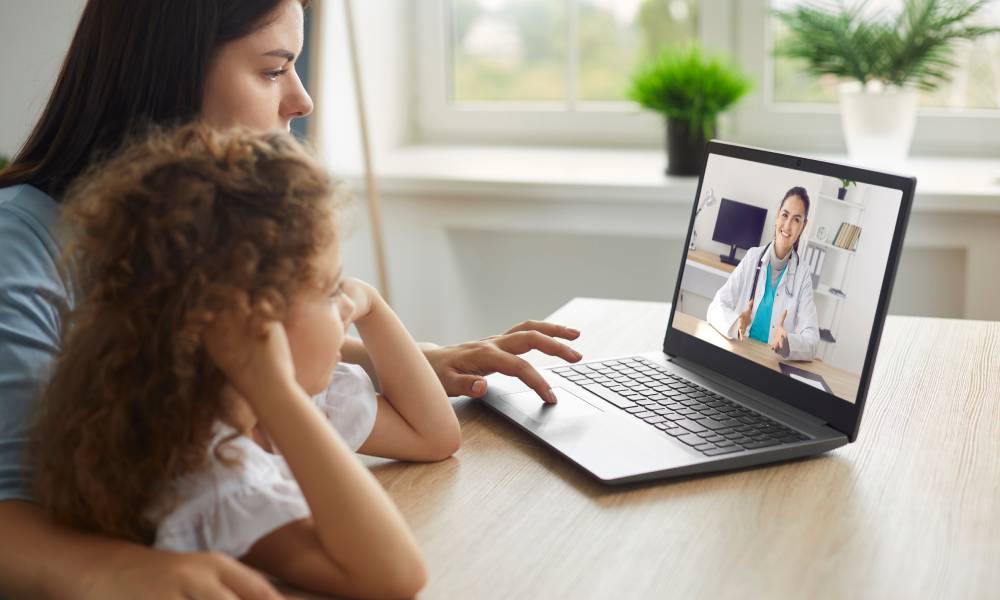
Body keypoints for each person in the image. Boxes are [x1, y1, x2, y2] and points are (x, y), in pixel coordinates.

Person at [0, 1, 581, 597]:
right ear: (170, 70)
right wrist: (116, 572)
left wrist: (385, 356)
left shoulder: (198, 285)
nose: (302, 101)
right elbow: (12, 501)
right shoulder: (17, 246)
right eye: (274, 70)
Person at [33, 123, 448, 598]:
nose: (346, 311)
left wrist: (372, 305)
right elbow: (396, 575)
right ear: (253, 323)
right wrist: (277, 392)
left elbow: (434, 436)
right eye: (331, 289)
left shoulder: (302, 404)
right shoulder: (207, 474)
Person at [706, 187, 819, 361]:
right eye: (785, 215)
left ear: (803, 226)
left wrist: (788, 342)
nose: (787, 225)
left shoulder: (803, 274)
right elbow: (715, 307)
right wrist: (737, 323)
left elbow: (812, 341)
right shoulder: (753, 257)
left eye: (796, 220)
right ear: (777, 215)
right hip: (739, 352)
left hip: (771, 362)